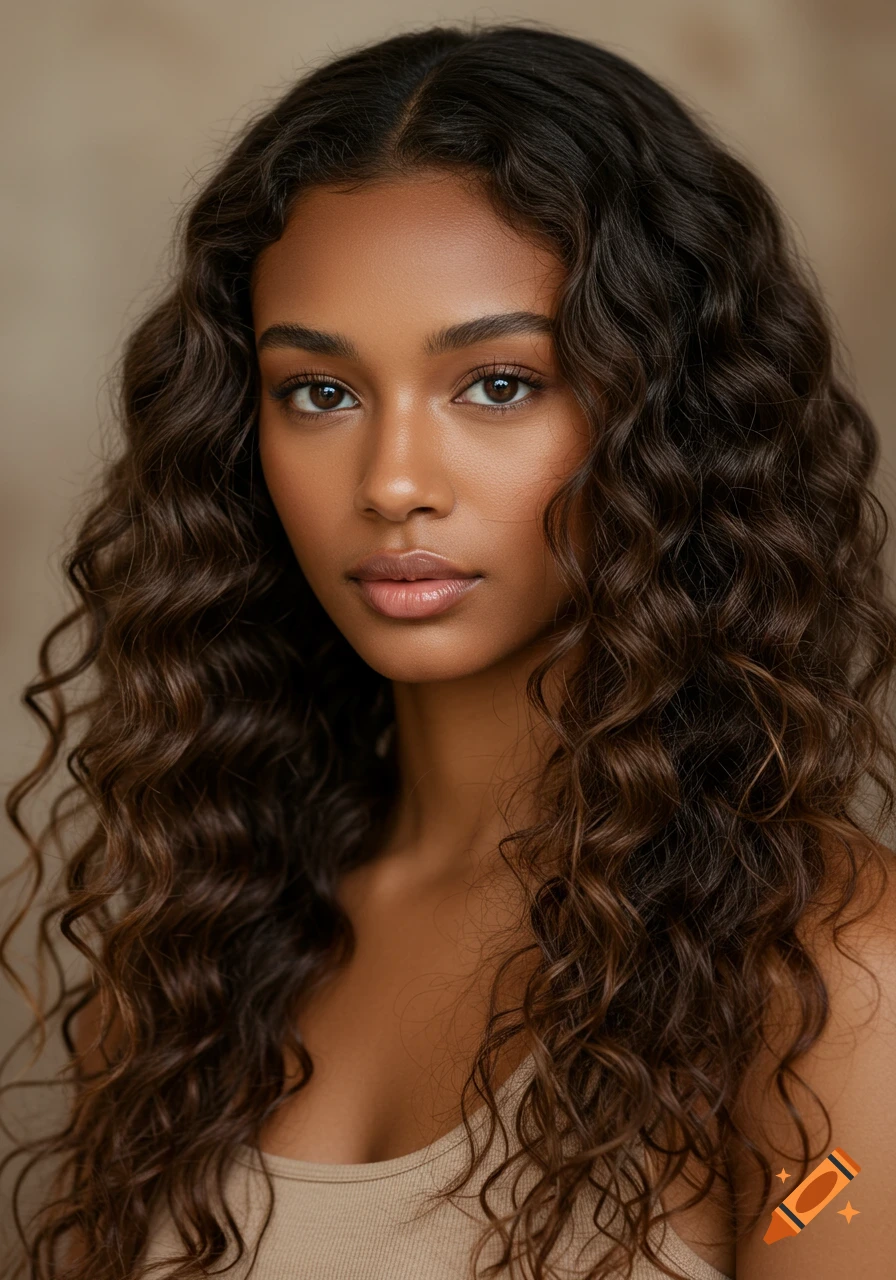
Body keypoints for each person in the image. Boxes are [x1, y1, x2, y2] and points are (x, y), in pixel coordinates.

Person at [2, 21, 895, 1280]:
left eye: (496, 382)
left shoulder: (826, 981)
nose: (393, 482)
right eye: (320, 392)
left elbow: (838, 1211)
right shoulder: (197, 942)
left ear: (667, 414)